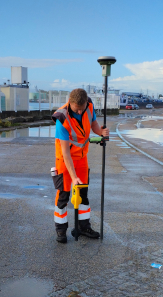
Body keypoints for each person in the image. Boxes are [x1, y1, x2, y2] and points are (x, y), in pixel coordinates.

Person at [52, 88, 109, 243]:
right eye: (76, 108)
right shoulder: (61, 118)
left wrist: (101, 132)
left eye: (81, 108)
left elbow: (94, 124)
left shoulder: (89, 106)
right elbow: (65, 152)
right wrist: (74, 177)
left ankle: (83, 228)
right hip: (65, 161)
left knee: (83, 195)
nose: (79, 111)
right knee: (63, 196)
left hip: (82, 158)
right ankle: (61, 231)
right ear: (70, 102)